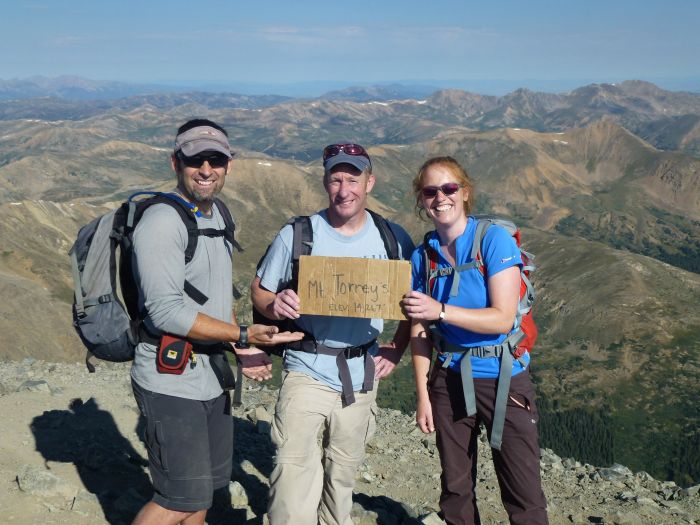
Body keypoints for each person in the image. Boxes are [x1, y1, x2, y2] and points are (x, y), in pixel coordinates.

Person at [130, 118, 302, 525]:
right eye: (195, 160)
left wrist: (241, 349)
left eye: (215, 160)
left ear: (229, 164)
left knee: (203, 494)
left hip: (209, 376)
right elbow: (166, 311)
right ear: (176, 162)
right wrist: (242, 333)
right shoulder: (161, 222)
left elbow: (216, 294)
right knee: (177, 499)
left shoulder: (218, 214)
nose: (206, 169)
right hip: (169, 379)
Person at [251, 143, 415, 525]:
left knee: (341, 478)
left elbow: (414, 300)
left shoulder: (393, 238)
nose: (345, 190)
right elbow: (260, 290)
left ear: (369, 182)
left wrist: (398, 348)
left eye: (353, 179)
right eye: (336, 179)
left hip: (361, 374)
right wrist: (274, 305)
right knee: (293, 475)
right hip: (307, 366)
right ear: (325, 182)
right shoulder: (299, 234)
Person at [402, 156, 548, 525]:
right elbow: (419, 330)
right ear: (421, 199)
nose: (441, 197)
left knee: (523, 491)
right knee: (455, 487)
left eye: (449, 188)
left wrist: (441, 311)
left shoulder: (492, 240)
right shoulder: (423, 256)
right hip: (448, 378)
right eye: (430, 191)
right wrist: (423, 394)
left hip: (503, 377)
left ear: (465, 193)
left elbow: (501, 317)